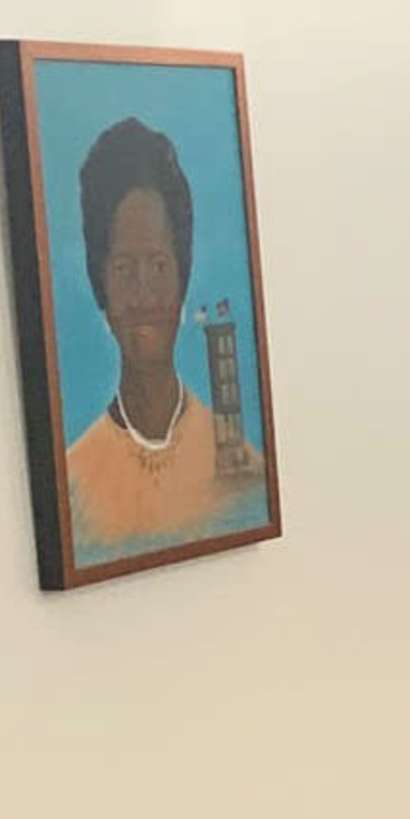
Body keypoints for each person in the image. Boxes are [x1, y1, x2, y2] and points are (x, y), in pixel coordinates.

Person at [60, 117, 260, 555]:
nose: (144, 294)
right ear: (101, 287)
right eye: (124, 269)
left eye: (158, 265)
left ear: (182, 278)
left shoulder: (245, 475)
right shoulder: (72, 486)